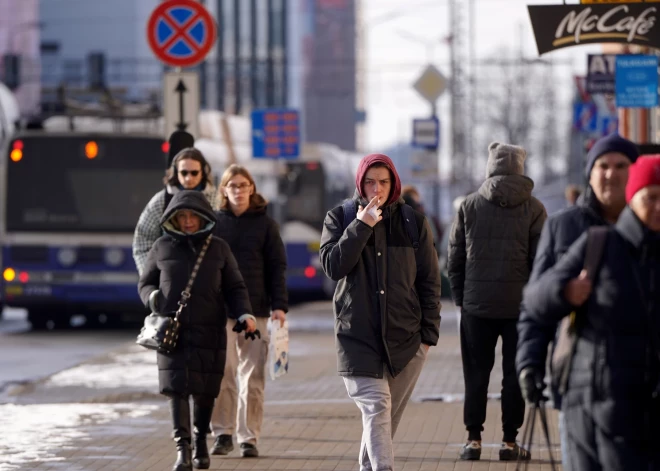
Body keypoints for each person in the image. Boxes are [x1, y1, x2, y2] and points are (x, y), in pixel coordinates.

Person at [520, 155, 660, 471]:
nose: (658, 207)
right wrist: (564, 292)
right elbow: (535, 301)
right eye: (651, 197)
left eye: (621, 166)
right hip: (594, 399)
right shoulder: (593, 239)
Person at [320, 153, 442, 471]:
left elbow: (429, 281)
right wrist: (361, 226)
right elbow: (334, 266)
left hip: (406, 339)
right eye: (370, 182)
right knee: (377, 407)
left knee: (384, 418)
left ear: (394, 184)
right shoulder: (340, 217)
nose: (377, 189)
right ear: (360, 183)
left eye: (384, 182)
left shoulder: (413, 223)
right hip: (357, 337)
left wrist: (428, 336)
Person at [138, 190, 256, 471]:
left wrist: (245, 313)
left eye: (193, 215)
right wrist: (153, 298)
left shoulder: (218, 248)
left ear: (204, 217)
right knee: (176, 389)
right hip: (172, 333)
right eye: (182, 216)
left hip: (210, 331)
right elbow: (145, 283)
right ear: (174, 219)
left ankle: (201, 440)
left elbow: (235, 287)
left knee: (205, 391)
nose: (188, 221)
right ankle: (183, 449)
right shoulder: (162, 247)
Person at [447, 142, 547, 461]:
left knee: (476, 373)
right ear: (520, 167)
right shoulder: (534, 208)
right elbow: (542, 261)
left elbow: (455, 258)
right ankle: (509, 442)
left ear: (490, 165)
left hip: (477, 307)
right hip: (520, 308)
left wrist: (462, 298)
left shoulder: (469, 206)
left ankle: (473, 440)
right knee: (514, 376)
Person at [210, 164, 288, 458]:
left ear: (252, 189)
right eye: (233, 186)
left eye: (244, 185)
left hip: (257, 311)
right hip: (222, 311)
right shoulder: (214, 224)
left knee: (253, 376)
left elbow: (277, 268)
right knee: (224, 373)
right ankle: (222, 433)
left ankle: (249, 437)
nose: (239, 191)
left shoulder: (266, 225)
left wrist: (279, 306)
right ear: (224, 190)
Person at [132, 146, 220, 276]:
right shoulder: (161, 201)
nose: (189, 178)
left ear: (203, 172)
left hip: (209, 278)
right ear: (175, 172)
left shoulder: (218, 201)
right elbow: (143, 242)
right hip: (170, 277)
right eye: (184, 172)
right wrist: (153, 277)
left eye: (194, 172)